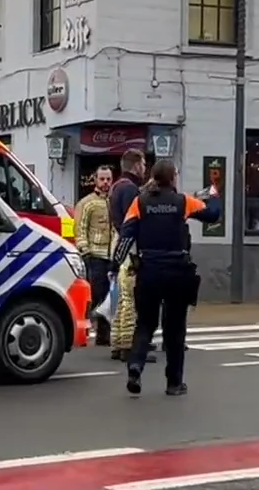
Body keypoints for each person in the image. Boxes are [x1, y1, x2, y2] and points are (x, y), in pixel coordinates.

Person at [115, 160, 221, 396]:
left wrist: (116, 265)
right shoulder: (183, 201)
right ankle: (174, 383)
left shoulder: (139, 202)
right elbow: (212, 215)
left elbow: (126, 235)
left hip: (149, 271)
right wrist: (213, 194)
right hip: (177, 272)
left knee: (145, 324)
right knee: (174, 329)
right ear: (173, 178)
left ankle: (135, 366)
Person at [106, 150, 151, 363]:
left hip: (116, 241)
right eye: (142, 164)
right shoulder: (131, 189)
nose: (144, 168)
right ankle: (128, 345)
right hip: (129, 245)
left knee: (120, 296)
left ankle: (117, 342)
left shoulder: (116, 187)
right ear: (135, 164)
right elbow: (133, 221)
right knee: (130, 297)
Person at [74, 166, 115, 346]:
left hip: (111, 256)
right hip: (94, 256)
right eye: (102, 179)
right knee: (94, 296)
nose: (105, 183)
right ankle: (84, 331)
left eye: (108, 179)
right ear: (96, 180)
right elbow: (80, 228)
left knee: (108, 297)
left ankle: (103, 334)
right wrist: (85, 251)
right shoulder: (87, 203)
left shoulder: (114, 201)